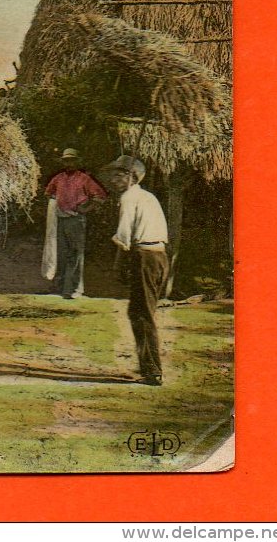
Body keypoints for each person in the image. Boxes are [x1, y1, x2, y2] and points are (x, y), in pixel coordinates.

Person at [107, 155, 169, 386]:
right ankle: (148, 367)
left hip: (145, 256)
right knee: (138, 311)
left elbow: (124, 236)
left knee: (142, 313)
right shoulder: (147, 197)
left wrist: (119, 265)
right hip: (159, 256)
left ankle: (153, 371)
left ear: (130, 177)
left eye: (117, 175)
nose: (112, 180)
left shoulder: (129, 198)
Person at [44, 148, 108, 299]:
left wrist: (86, 208)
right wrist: (55, 205)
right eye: (66, 160)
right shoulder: (58, 178)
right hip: (60, 220)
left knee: (76, 254)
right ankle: (59, 286)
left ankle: (74, 289)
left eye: (72, 160)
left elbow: (101, 196)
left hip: (76, 220)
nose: (69, 163)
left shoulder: (84, 178)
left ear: (77, 161)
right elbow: (48, 193)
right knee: (61, 253)